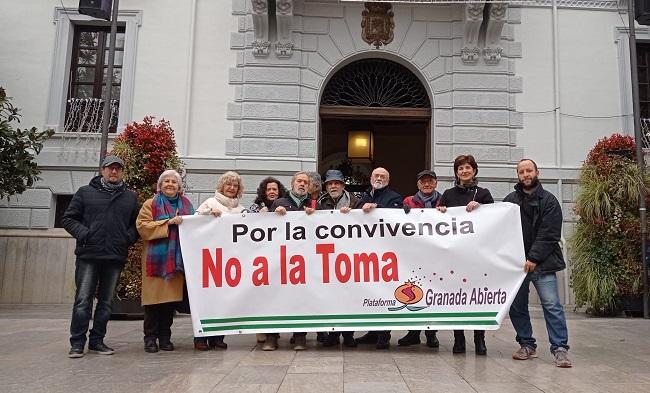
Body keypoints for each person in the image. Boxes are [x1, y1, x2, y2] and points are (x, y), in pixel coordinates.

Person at [62, 155, 139, 358]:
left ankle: (97, 341)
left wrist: (126, 238)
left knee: (106, 302)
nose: (114, 172)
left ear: (122, 172)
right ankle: (77, 343)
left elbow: (136, 224)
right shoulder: (85, 193)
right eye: (110, 168)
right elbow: (69, 219)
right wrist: (85, 234)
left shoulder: (130, 197)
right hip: (89, 254)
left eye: (118, 169)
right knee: (82, 300)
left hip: (114, 256)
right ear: (102, 170)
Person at [504, 159, 572, 368]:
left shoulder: (549, 200)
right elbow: (499, 228)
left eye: (529, 170)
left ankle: (560, 348)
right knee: (517, 307)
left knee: (552, 305)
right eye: (521, 171)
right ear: (518, 175)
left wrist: (533, 258)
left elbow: (549, 234)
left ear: (537, 172)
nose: (525, 174)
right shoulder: (510, 200)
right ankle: (526, 344)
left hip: (543, 264)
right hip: (517, 266)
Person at [437, 154, 494, 355]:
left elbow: (494, 219)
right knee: (457, 298)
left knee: (478, 298)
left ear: (475, 170)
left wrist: (482, 208)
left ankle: (480, 339)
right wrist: (441, 210)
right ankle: (458, 339)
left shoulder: (484, 193)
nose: (464, 171)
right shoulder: (448, 194)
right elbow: (438, 218)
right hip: (455, 256)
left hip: (477, 256)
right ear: (456, 173)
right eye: (460, 168)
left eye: (468, 167)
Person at [136, 169, 194, 353]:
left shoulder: (186, 204)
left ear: (179, 186)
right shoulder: (150, 204)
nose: (170, 184)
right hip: (156, 261)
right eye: (166, 181)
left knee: (169, 303)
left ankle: (165, 337)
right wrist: (168, 222)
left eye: (174, 182)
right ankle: (150, 338)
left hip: (177, 262)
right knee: (154, 303)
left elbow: (195, 225)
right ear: (160, 186)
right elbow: (142, 227)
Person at [193, 171, 247, 350]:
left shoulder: (241, 209)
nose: (231, 188)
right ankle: (201, 338)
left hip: (230, 260)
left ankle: (218, 337)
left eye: (235, 185)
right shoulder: (210, 203)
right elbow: (194, 224)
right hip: (210, 258)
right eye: (228, 184)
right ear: (222, 186)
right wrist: (207, 215)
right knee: (207, 298)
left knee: (224, 299)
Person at [354, 167, 403, 350]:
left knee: (385, 294)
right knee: (370, 294)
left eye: (383, 176)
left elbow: (396, 217)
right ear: (371, 178)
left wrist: (378, 208)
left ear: (388, 181)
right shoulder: (364, 197)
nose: (379, 178)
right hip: (367, 254)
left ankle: (384, 334)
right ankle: (372, 332)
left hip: (386, 254)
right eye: (377, 175)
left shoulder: (395, 197)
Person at [269, 171, 315, 350]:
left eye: (305, 182)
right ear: (293, 183)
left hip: (304, 261)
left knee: (301, 299)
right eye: (299, 181)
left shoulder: (314, 204)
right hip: (281, 260)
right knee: (275, 298)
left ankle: (300, 337)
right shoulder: (279, 203)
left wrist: (315, 216)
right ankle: (271, 337)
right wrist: (275, 214)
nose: (302, 184)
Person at [397, 169, 442, 349]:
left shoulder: (443, 200)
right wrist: (402, 212)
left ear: (436, 183)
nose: (426, 184)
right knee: (414, 293)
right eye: (423, 181)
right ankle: (413, 333)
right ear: (418, 184)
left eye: (430, 181)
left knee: (432, 294)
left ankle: (431, 334)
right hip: (414, 255)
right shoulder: (408, 201)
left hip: (436, 255)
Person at [318, 169, 359, 348]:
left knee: (350, 296)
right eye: (330, 183)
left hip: (350, 255)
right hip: (328, 256)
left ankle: (349, 334)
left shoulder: (356, 201)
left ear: (343, 185)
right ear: (326, 186)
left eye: (337, 183)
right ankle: (333, 334)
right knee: (331, 297)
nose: (333, 186)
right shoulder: (320, 202)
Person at [248, 176, 288, 348]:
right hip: (262, 259)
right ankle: (265, 331)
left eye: (275, 189)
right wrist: (258, 217)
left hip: (282, 258)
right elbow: (244, 223)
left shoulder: (285, 205)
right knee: (263, 297)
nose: (272, 192)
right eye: (269, 189)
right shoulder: (256, 207)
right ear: (264, 192)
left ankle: (275, 332)